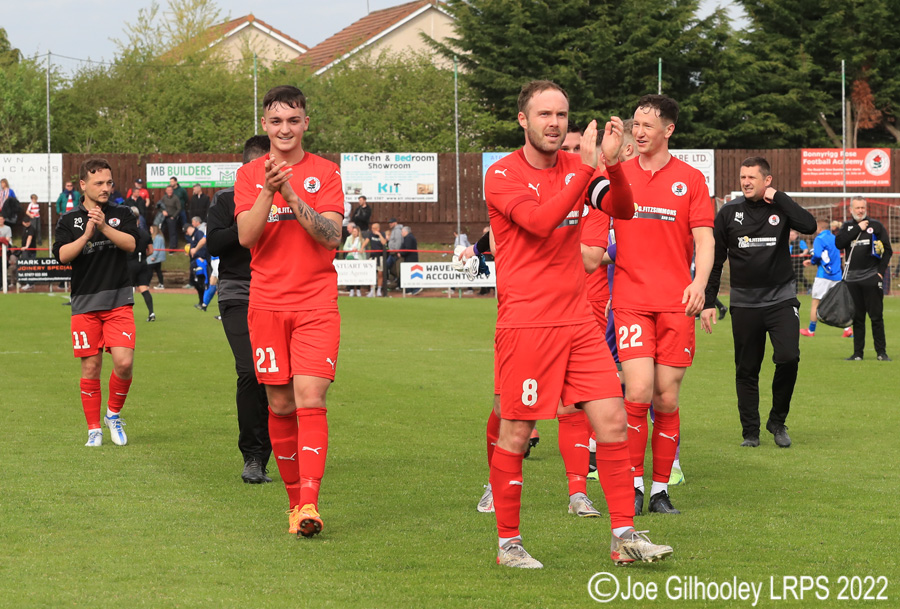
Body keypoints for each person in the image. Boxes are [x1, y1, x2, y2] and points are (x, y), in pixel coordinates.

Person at [484, 80, 671, 568]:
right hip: (527, 323)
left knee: (611, 422)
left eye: (562, 115)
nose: (554, 123)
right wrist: (588, 167)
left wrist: (610, 166)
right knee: (517, 434)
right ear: (522, 119)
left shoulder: (579, 168)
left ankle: (624, 536)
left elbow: (623, 208)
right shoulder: (501, 174)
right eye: (544, 114)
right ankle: (508, 543)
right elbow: (542, 222)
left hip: (579, 322)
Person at [235, 85, 343, 536]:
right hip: (266, 305)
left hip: (317, 303)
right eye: (276, 121)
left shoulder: (326, 173)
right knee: (279, 403)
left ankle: (311, 503)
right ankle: (295, 503)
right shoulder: (247, 176)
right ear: (265, 125)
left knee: (310, 398)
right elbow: (245, 237)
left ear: (306, 123)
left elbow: (332, 235)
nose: (285, 129)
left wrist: (294, 196)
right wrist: (268, 190)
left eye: (293, 120)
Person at [614, 94, 715, 516]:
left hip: (676, 303)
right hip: (632, 300)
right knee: (636, 390)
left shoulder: (690, 180)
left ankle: (659, 491)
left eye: (647, 126)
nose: (638, 133)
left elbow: (706, 239)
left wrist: (701, 286)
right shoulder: (618, 175)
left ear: (668, 130)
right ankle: (634, 485)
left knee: (666, 399)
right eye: (635, 124)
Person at [701, 157, 816, 448]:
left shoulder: (780, 207)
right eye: (743, 177)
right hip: (744, 303)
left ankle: (777, 421)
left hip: (781, 300)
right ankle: (750, 432)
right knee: (747, 369)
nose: (746, 182)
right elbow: (715, 261)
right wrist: (709, 301)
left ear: (767, 180)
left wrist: (778, 196)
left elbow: (809, 225)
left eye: (753, 177)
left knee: (789, 357)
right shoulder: (728, 213)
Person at [52, 158, 138, 447]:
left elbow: (131, 244)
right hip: (85, 304)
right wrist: (87, 234)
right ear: (83, 185)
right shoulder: (68, 221)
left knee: (124, 363)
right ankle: (94, 429)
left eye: (109, 182)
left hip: (119, 301)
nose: (105, 188)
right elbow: (63, 255)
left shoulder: (122, 213)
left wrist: (102, 228)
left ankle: (113, 415)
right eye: (99, 182)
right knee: (91, 368)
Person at [207, 134, 273, 484]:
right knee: (250, 371)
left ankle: (270, 454)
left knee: (277, 379)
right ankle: (252, 456)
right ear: (248, 167)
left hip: (278, 292)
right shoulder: (225, 200)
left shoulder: (287, 199)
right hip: (237, 291)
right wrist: (250, 219)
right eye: (267, 164)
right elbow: (214, 243)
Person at [834, 196, 893, 361]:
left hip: (871, 278)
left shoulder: (876, 226)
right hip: (852, 280)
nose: (860, 210)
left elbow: (887, 250)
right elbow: (839, 243)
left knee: (876, 317)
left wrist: (880, 273)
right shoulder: (846, 226)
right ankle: (858, 353)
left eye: (862, 207)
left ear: (866, 208)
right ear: (851, 209)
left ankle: (881, 353)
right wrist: (857, 228)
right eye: (857, 207)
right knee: (858, 318)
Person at [800, 218, 843, 336]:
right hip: (837, 275)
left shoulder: (819, 239)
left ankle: (811, 330)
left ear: (819, 228)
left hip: (823, 275)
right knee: (839, 302)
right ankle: (848, 329)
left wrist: (812, 261)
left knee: (815, 303)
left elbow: (818, 254)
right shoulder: (835, 238)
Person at [127, 207, 156, 322]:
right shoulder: (145, 233)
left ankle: (126, 315)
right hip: (143, 263)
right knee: (144, 288)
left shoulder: (128, 233)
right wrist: (144, 256)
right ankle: (151, 313)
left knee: (128, 289)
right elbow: (151, 250)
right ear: (138, 220)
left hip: (130, 263)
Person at [185, 217, 208, 308]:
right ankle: (201, 302)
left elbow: (203, 246)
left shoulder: (199, 233)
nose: (187, 234)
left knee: (201, 283)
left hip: (199, 262)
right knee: (197, 283)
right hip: (195, 262)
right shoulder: (194, 236)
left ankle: (203, 302)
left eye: (186, 231)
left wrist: (201, 256)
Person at [342, 224, 367, 297]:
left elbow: (363, 250)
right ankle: (351, 289)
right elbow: (344, 248)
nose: (354, 233)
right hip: (351, 258)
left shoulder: (362, 240)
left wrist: (359, 250)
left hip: (359, 259)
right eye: (353, 231)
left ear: (358, 232)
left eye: (356, 231)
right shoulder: (349, 238)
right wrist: (351, 249)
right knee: (351, 274)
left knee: (358, 274)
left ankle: (358, 289)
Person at [363, 222, 385, 297]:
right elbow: (366, 241)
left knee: (380, 273)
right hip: (372, 256)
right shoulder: (370, 234)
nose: (372, 230)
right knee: (371, 273)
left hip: (380, 256)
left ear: (378, 229)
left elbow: (384, 242)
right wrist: (362, 248)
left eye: (374, 228)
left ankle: (379, 289)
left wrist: (379, 235)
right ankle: (372, 290)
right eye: (372, 228)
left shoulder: (382, 234)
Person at [158, 186, 183, 250]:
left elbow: (179, 208)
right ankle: (161, 246)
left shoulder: (176, 198)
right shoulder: (164, 197)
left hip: (172, 217)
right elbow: (160, 206)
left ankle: (173, 247)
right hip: (164, 217)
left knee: (172, 232)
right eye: (168, 190)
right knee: (161, 231)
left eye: (170, 190)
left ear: (172, 191)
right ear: (166, 191)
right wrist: (162, 211)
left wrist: (173, 216)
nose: (169, 191)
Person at [400, 226, 420, 295]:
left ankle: (415, 288)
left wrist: (401, 253)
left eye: (402, 232)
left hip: (411, 259)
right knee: (410, 273)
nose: (401, 233)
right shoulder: (409, 237)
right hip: (411, 258)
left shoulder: (409, 238)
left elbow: (407, 249)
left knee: (411, 273)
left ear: (406, 232)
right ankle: (410, 289)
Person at [145, 224, 166, 288]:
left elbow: (156, 248)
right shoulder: (158, 237)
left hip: (156, 258)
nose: (150, 230)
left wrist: (154, 256)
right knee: (158, 271)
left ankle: (147, 284)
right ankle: (161, 284)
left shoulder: (158, 238)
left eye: (151, 229)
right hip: (158, 258)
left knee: (150, 270)